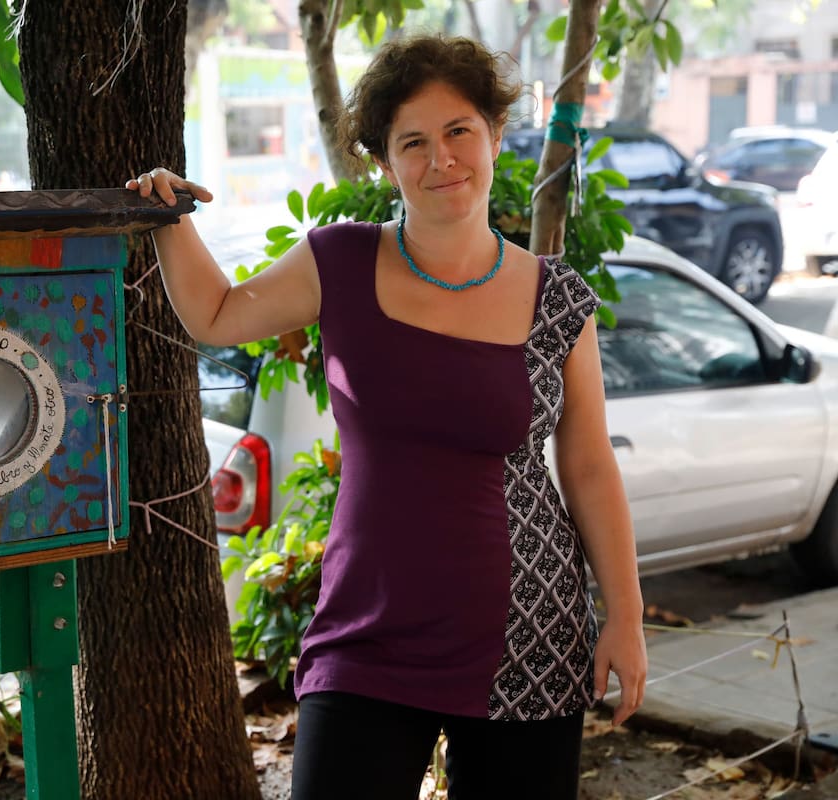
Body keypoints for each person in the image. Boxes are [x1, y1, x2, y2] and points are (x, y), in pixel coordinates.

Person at [126, 33, 646, 800]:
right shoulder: (340, 261)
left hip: (527, 637)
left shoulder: (557, 298)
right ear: (385, 160)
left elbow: (589, 465)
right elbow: (217, 312)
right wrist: (168, 217)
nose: (442, 160)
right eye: (414, 142)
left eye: (459, 132)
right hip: (366, 635)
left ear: (496, 134)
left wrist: (625, 617)